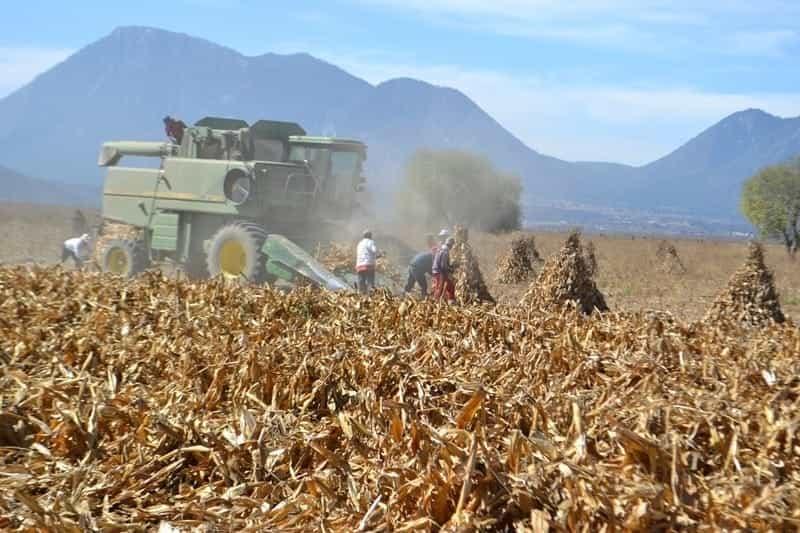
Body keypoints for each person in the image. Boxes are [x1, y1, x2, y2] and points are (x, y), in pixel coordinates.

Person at [355, 230, 381, 294]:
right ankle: (371, 295)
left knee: (361, 282)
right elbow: (374, 251)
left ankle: (361, 294)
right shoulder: (370, 242)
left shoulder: (360, 243)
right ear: (369, 236)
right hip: (368, 266)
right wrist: (380, 254)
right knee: (370, 282)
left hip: (359, 266)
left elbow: (365, 255)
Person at [432, 237, 456, 301]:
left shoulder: (441, 249)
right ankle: (438, 301)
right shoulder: (445, 251)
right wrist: (451, 268)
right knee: (444, 288)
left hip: (437, 271)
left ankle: (438, 300)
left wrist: (450, 267)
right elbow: (443, 266)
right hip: (440, 272)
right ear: (451, 245)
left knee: (443, 287)